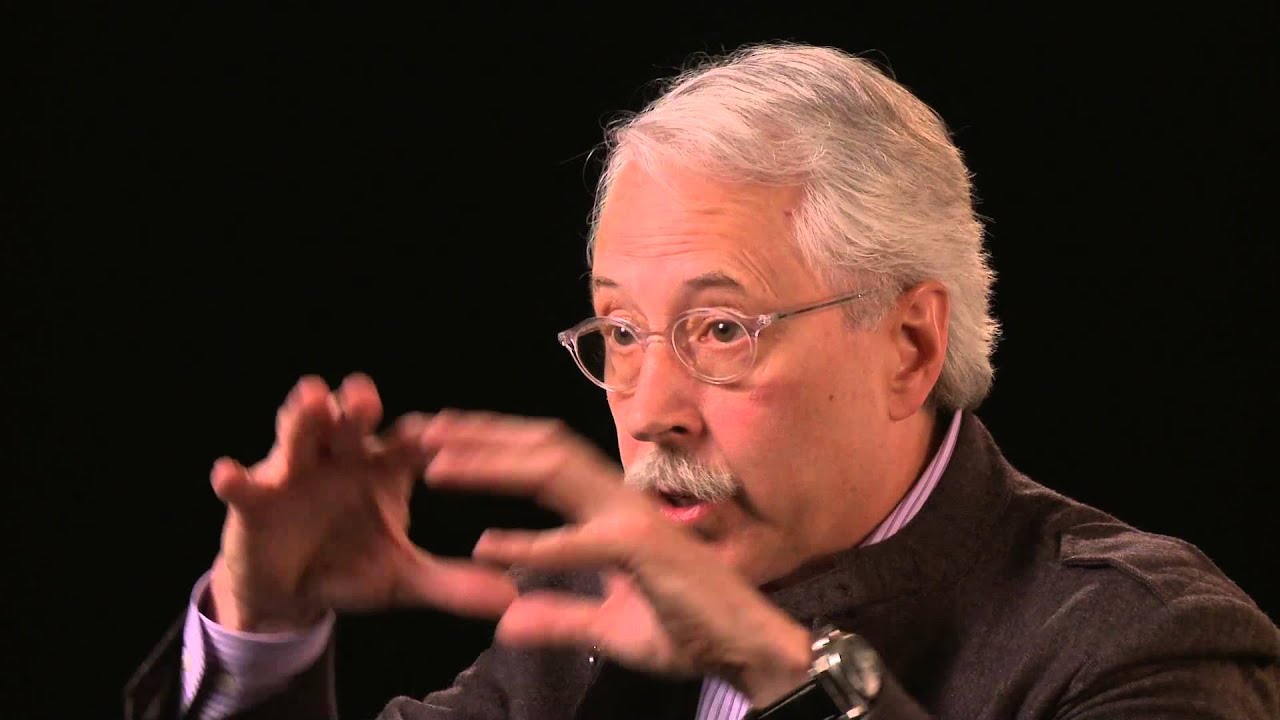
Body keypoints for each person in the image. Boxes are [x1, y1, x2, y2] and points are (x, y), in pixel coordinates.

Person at [126, 42, 1279, 720]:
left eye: (720, 330)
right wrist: (265, 631)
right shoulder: (590, 602)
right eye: (623, 334)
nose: (651, 410)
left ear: (908, 347)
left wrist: (776, 667)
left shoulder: (1141, 637)